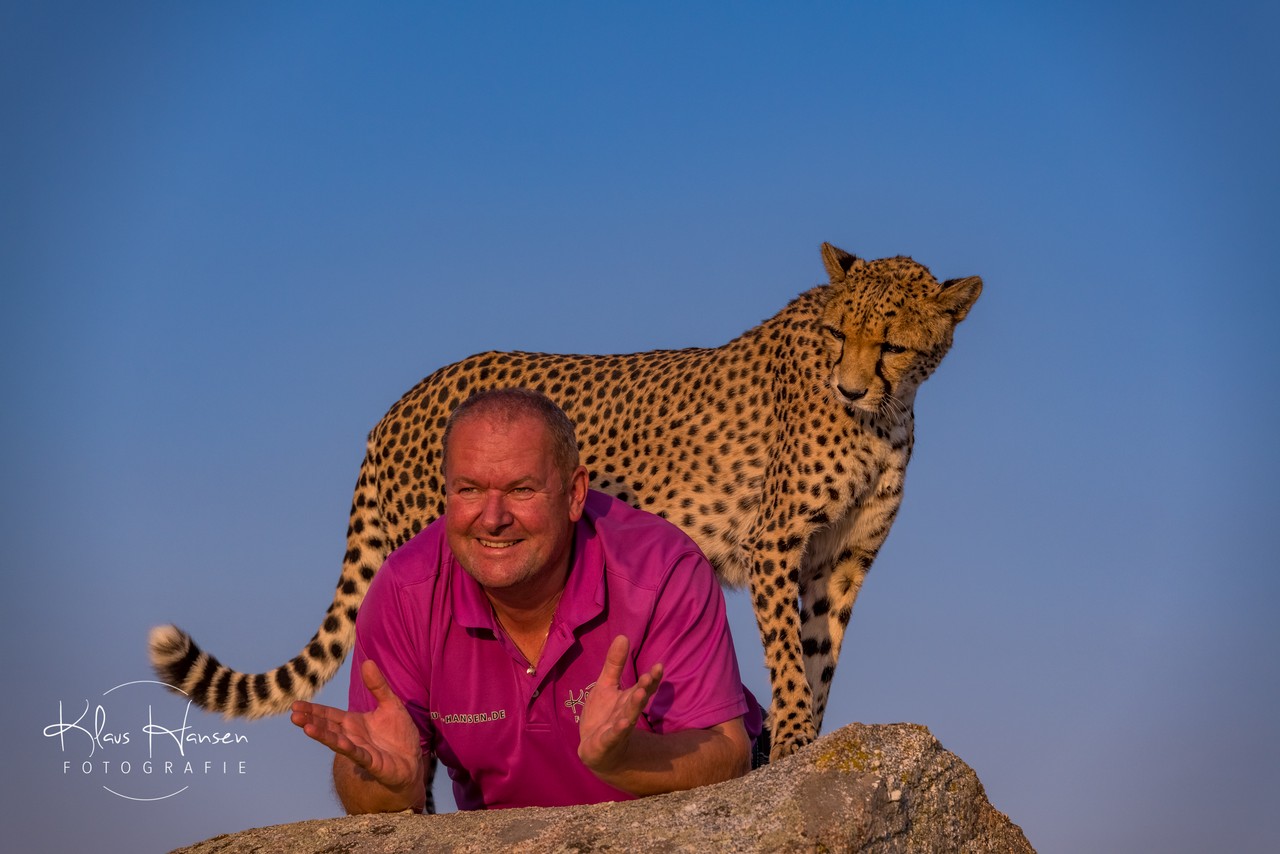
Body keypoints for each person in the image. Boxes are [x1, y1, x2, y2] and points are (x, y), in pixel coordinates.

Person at [291, 387, 761, 812]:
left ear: (575, 494)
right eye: (469, 489)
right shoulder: (404, 591)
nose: (493, 518)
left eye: (521, 490)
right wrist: (389, 786)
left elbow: (728, 753)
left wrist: (625, 758)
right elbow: (372, 784)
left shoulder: (661, 569)